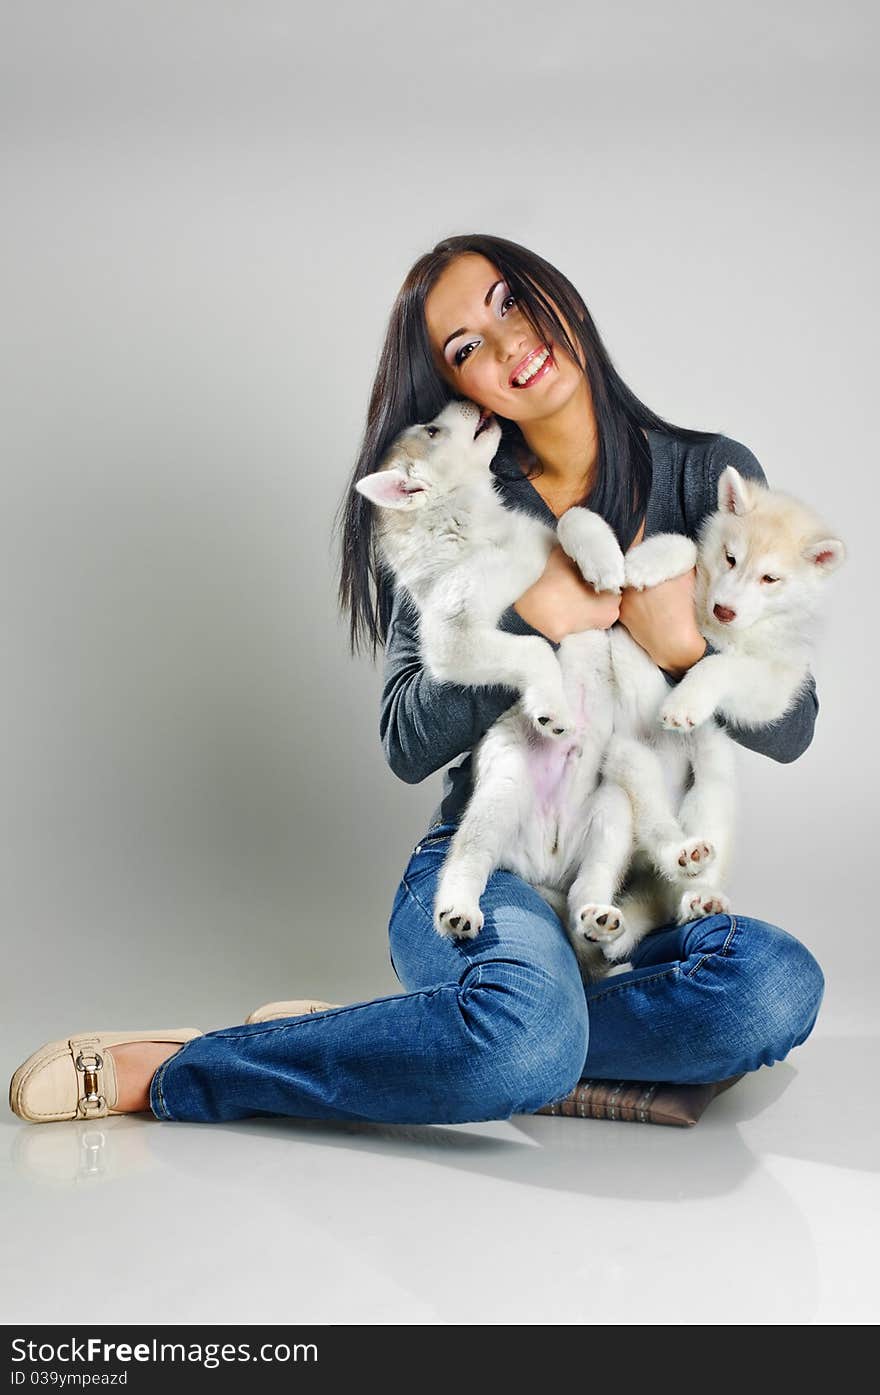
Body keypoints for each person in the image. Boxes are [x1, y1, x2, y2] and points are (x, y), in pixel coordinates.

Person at [9, 233, 825, 1127]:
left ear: (567, 301)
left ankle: (432, 1036)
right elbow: (404, 740)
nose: (508, 343)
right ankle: (182, 1069)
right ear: (460, 389)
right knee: (526, 1034)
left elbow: (795, 723)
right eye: (467, 347)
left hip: (633, 889)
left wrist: (686, 652)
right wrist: (528, 612)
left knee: (772, 991)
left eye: (511, 300)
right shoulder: (457, 494)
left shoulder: (707, 474)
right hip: (494, 867)